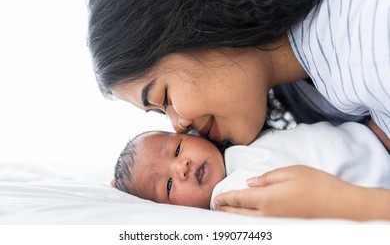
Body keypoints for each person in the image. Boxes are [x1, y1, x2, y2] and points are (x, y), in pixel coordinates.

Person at [88, 0, 390, 219]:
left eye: (164, 98)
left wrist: (348, 204)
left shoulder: (371, 34)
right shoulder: (316, 85)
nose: (178, 125)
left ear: (195, 25)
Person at [112, 122, 390, 213]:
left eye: (177, 149)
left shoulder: (239, 140)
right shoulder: (229, 199)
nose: (181, 167)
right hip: (375, 182)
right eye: (169, 185)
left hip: (372, 135)